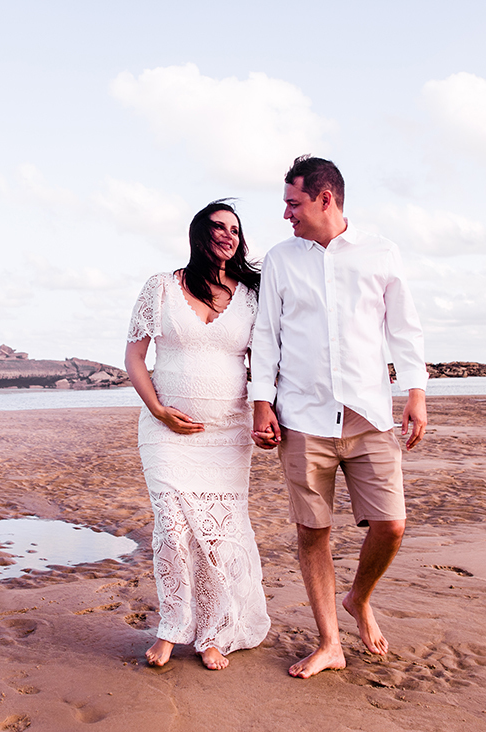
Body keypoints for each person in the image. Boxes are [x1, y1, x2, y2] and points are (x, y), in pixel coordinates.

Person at [249, 156, 428, 679]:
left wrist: (416, 393)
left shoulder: (381, 252)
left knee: (391, 525)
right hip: (302, 417)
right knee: (313, 531)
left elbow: (405, 329)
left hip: (369, 414)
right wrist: (263, 403)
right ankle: (330, 642)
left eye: (293, 203)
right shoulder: (280, 259)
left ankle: (360, 598)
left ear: (325, 199)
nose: (286, 214)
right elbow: (267, 335)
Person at [125, 200, 271, 671]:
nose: (229, 236)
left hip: (228, 434)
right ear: (198, 234)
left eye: (236, 229)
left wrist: (268, 414)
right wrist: (159, 410)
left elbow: (265, 361)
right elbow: (133, 358)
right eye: (219, 228)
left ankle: (213, 633)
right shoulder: (161, 288)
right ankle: (172, 627)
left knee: (218, 536)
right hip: (165, 432)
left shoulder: (253, 293)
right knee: (172, 528)